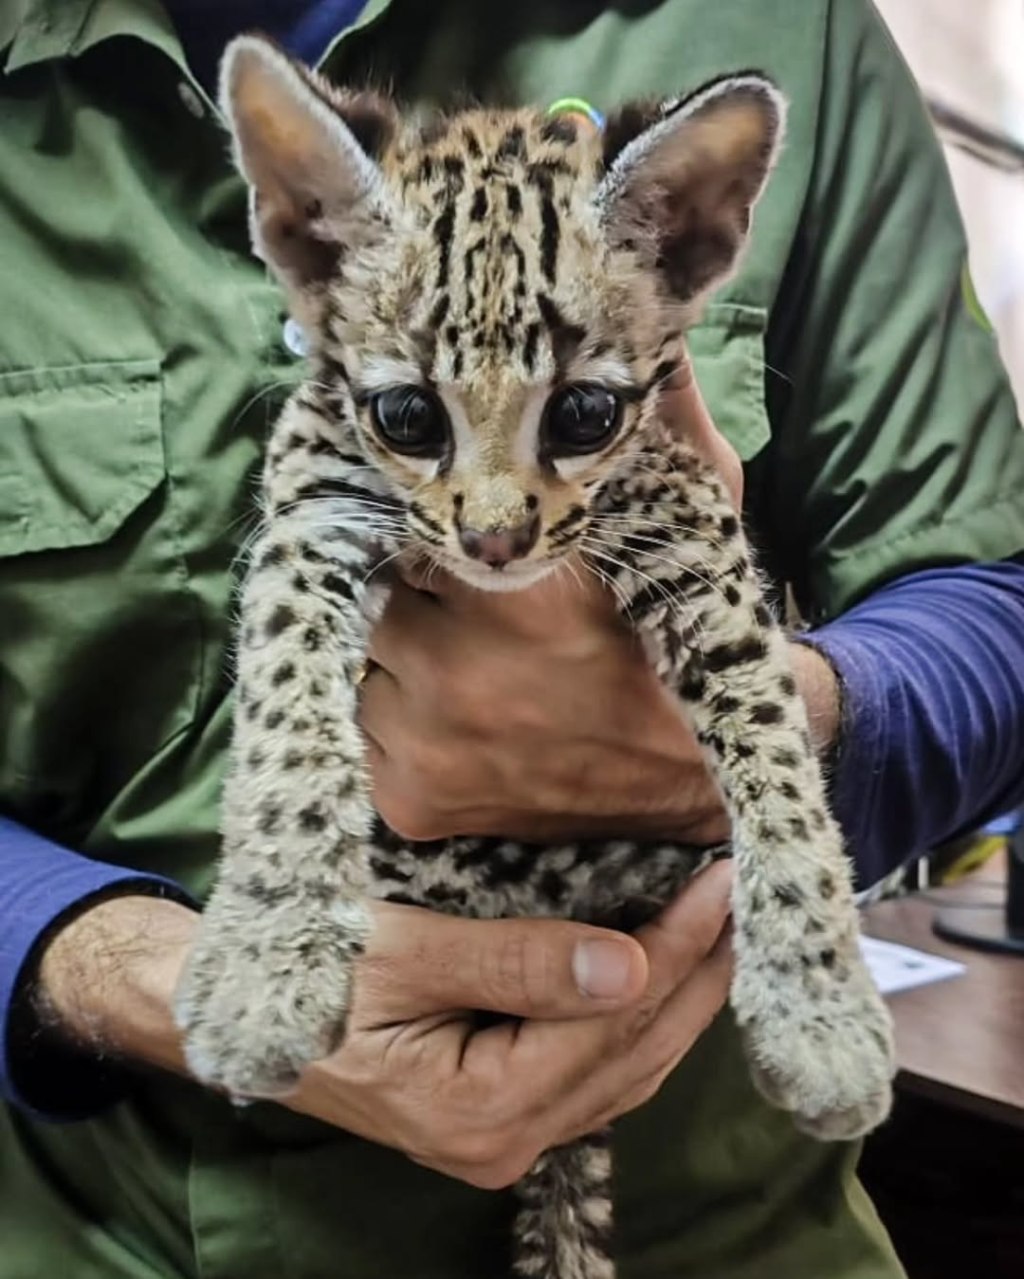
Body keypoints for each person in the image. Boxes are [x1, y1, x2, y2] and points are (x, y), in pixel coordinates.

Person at [1, 1, 1023, 1276]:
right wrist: (101, 953)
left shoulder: (793, 25)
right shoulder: (331, 382)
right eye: (414, 421)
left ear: (696, 244)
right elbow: (294, 627)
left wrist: (757, 802)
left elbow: (986, 603)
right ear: (302, 232)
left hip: (707, 1220)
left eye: (580, 410)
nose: (492, 519)